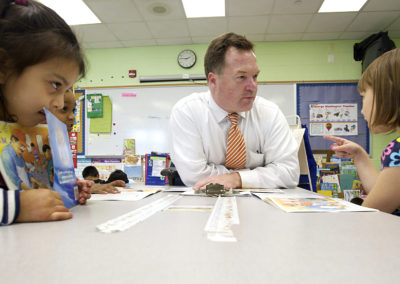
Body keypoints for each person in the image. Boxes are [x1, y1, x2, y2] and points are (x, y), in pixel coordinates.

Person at [169, 32, 300, 190]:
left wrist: (237, 178)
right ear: (213, 81)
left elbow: (290, 173)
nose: (253, 87)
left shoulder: (270, 113)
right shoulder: (187, 111)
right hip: (205, 203)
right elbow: (195, 176)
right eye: (241, 77)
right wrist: (259, 175)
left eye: (255, 76)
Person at [0, 0, 90, 225]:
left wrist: (61, 188)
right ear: (3, 67)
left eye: (67, 89)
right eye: (55, 85)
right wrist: (17, 207)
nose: (59, 103)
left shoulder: (29, 131)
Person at [325, 48, 400, 215]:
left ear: (386, 95)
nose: (361, 109)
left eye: (364, 96)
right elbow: (385, 194)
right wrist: (359, 155)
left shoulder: (397, 151)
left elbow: (372, 213)